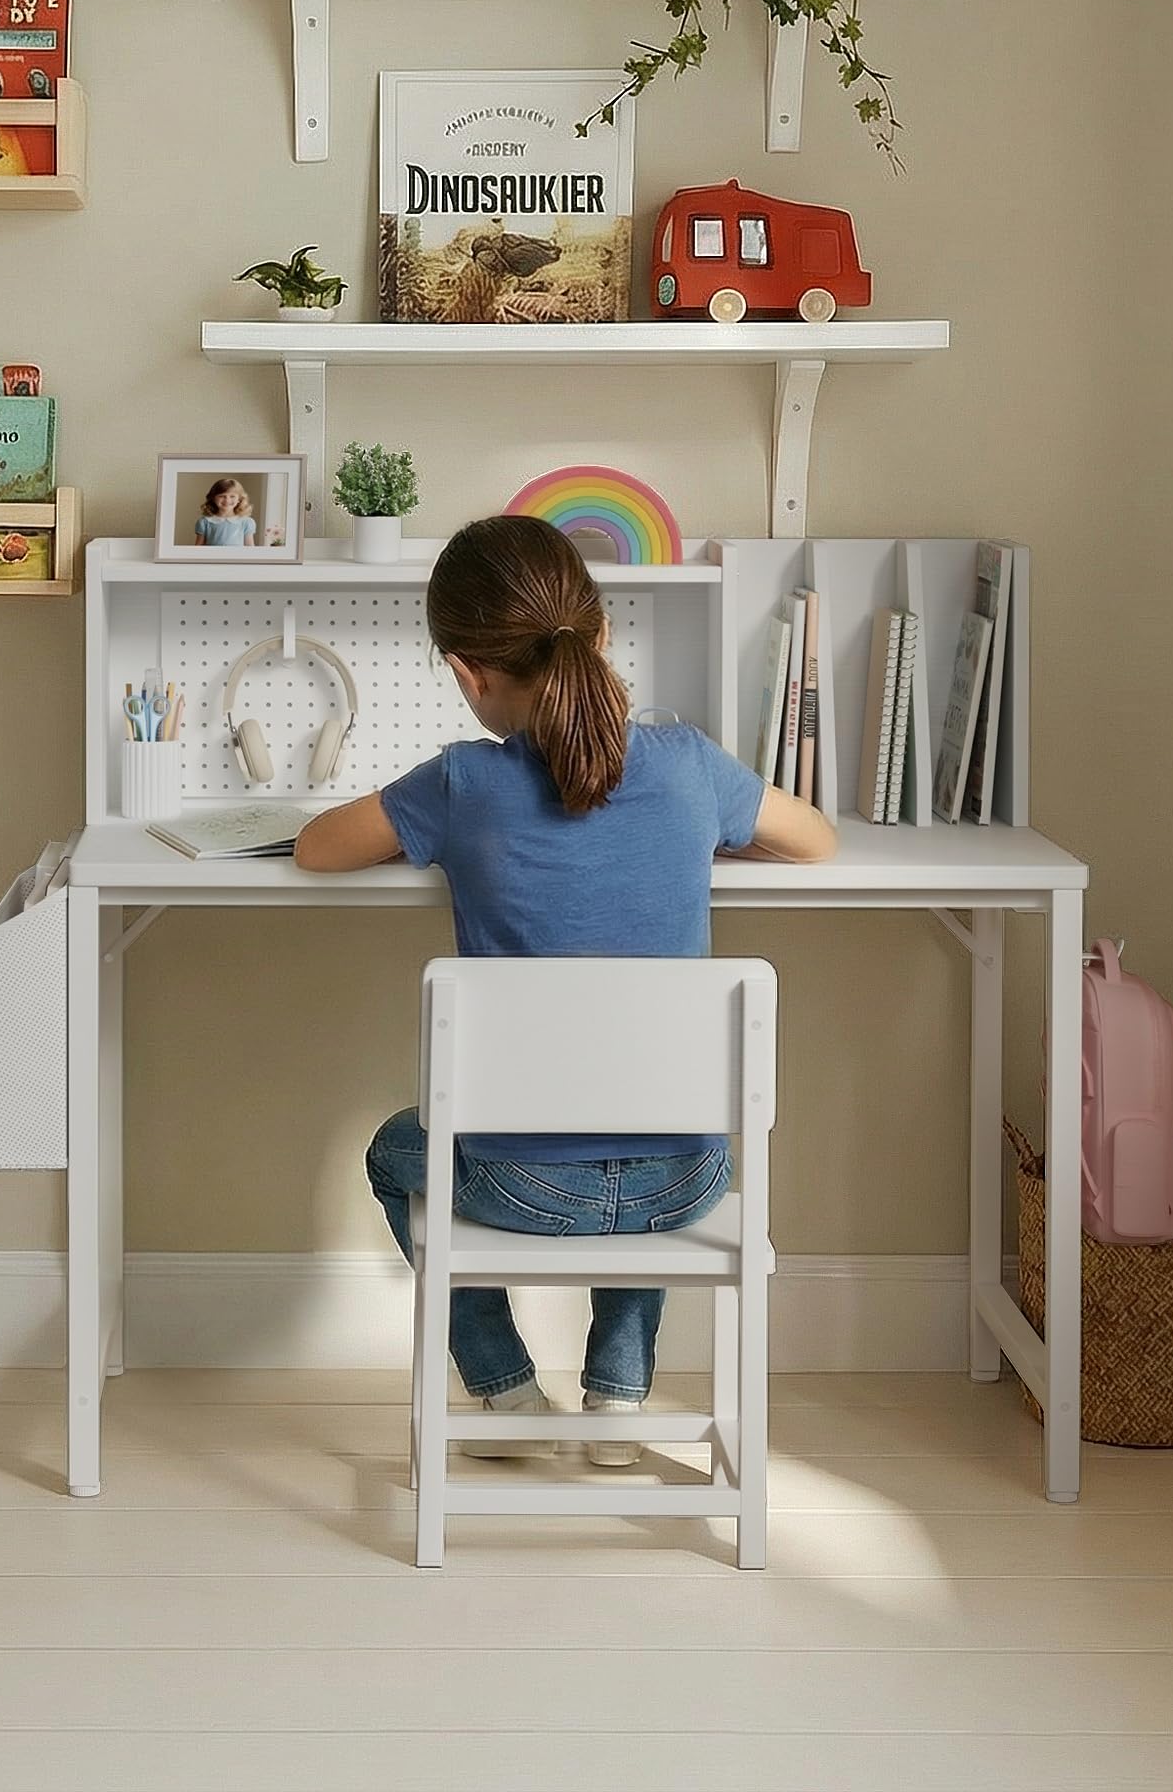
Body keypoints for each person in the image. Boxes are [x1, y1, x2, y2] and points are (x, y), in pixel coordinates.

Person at [296, 516, 836, 1461]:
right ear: (603, 634)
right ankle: (618, 1398)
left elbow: (316, 849)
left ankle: (507, 1396)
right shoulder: (688, 766)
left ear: (468, 675)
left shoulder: (460, 785)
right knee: (655, 1099)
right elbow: (816, 840)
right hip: (688, 1183)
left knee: (394, 1153)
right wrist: (712, 828)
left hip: (523, 1185)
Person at [195, 478, 258, 547]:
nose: (227, 500)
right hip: (212, 557)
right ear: (213, 498)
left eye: (232, 496)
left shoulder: (246, 522)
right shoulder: (205, 522)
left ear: (239, 499)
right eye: (222, 496)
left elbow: (249, 547)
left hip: (236, 557)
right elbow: (198, 548)